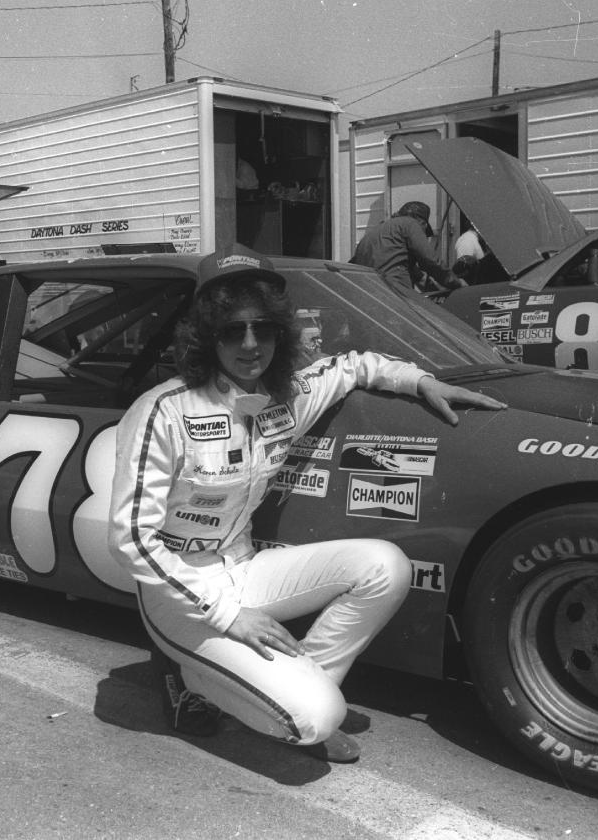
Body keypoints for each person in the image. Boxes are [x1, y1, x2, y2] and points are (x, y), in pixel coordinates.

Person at [109, 246, 506, 763]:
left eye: (263, 328)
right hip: (182, 592)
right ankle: (191, 675)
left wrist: (423, 381)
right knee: (314, 719)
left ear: (280, 332)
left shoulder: (288, 395)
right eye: (231, 330)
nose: (249, 344)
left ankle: (295, 688)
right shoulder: (163, 410)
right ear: (206, 335)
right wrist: (227, 616)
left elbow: (354, 365)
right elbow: (131, 538)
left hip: (244, 567)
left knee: (385, 567)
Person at [350, 201, 466, 294]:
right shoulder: (410, 224)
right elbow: (429, 260)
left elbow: (417, 275)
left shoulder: (375, 232)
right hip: (394, 292)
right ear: (423, 223)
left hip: (367, 293)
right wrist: (456, 283)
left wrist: (435, 288)